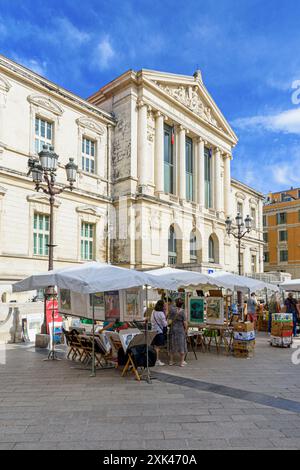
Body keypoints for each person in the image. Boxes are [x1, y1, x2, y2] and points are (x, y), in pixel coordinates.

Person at [168, 298, 188, 367]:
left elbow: (169, 321)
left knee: (172, 344)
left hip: (173, 329)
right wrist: (186, 330)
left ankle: (171, 361)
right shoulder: (183, 312)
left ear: (175, 303)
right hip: (180, 330)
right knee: (181, 344)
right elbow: (185, 322)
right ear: (182, 304)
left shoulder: (172, 310)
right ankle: (182, 362)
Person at [151, 300, 168, 367]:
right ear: (162, 305)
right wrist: (166, 315)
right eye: (164, 304)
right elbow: (165, 324)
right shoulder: (161, 313)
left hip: (153, 330)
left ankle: (155, 360)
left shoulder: (153, 311)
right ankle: (156, 361)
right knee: (157, 347)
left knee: (155, 346)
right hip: (159, 332)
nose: (165, 305)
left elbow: (151, 320)